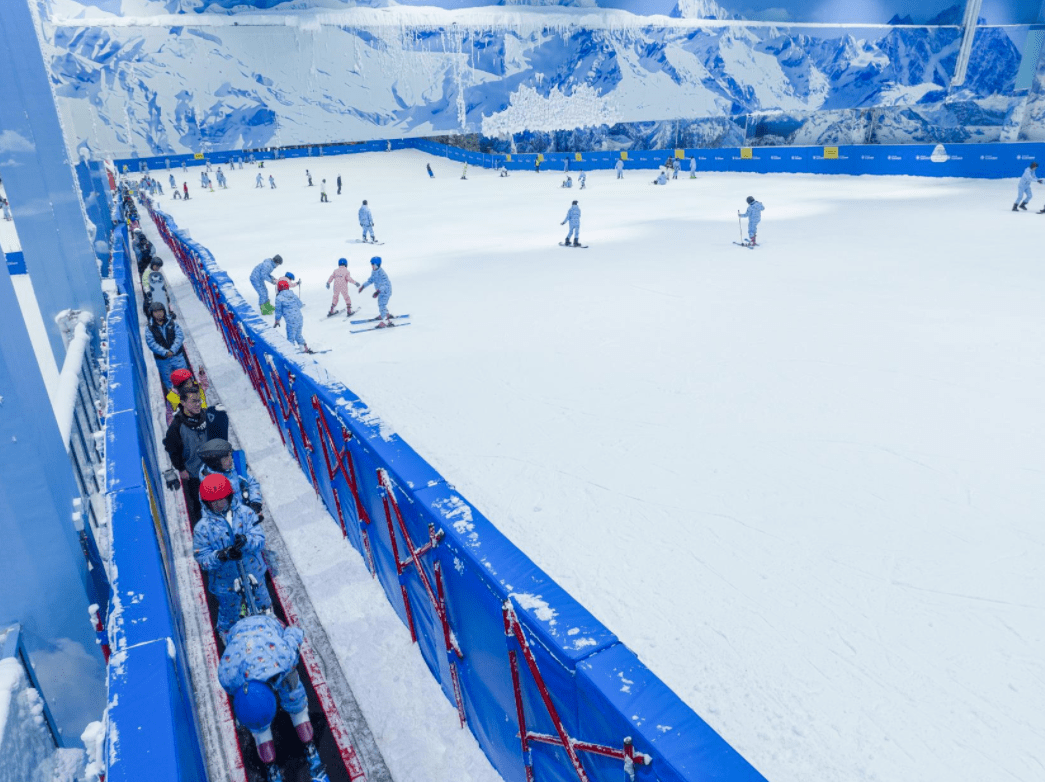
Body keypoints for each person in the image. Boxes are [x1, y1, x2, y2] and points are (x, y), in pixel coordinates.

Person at [218, 614, 320, 770]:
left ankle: (298, 712)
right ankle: (261, 732)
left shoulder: (283, 658)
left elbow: (294, 636)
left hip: (266, 626)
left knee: (289, 681)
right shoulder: (228, 678)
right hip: (238, 633)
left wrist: (287, 630)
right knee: (253, 707)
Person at [192, 474, 273, 639]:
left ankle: (269, 627)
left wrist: (246, 542)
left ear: (229, 496)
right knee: (230, 613)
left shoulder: (245, 513)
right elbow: (202, 559)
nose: (218, 504)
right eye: (213, 502)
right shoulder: (203, 528)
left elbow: (259, 540)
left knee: (263, 603)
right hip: (225, 583)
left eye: (221, 499)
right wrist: (222, 555)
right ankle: (229, 637)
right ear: (206, 503)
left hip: (253, 573)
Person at [164, 389, 213, 524]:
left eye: (199, 400)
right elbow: (171, 449)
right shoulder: (176, 427)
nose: (198, 404)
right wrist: (181, 468)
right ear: (183, 402)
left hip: (212, 469)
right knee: (199, 503)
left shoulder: (207, 416)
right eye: (193, 401)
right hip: (194, 474)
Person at [198, 438, 262, 514]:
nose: (230, 460)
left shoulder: (234, 469)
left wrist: (255, 501)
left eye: (229, 455)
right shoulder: (210, 489)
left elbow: (251, 482)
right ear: (215, 463)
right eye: (226, 458)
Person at [145, 301, 189, 390]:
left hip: (177, 356)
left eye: (160, 311)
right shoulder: (149, 328)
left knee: (184, 377)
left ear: (164, 311)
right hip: (162, 360)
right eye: (156, 312)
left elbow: (179, 336)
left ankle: (188, 395)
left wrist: (172, 350)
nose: (158, 314)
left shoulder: (172, 323)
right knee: (168, 382)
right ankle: (175, 402)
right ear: (152, 313)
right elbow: (151, 343)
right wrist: (165, 352)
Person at [274, 279, 309, 352]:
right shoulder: (293, 295)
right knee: (298, 334)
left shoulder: (279, 298)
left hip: (290, 320)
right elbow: (300, 304)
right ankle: (304, 348)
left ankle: (291, 353)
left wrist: (277, 320)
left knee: (290, 337)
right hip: (299, 318)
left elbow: (278, 311)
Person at [358, 256, 393, 323]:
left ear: (377, 265)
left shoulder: (382, 273)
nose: (372, 266)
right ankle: (386, 314)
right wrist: (363, 286)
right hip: (380, 292)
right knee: (381, 304)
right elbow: (371, 280)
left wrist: (378, 292)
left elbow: (385, 285)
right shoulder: (374, 271)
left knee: (382, 305)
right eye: (371, 265)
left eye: (373, 265)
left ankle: (386, 321)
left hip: (386, 291)